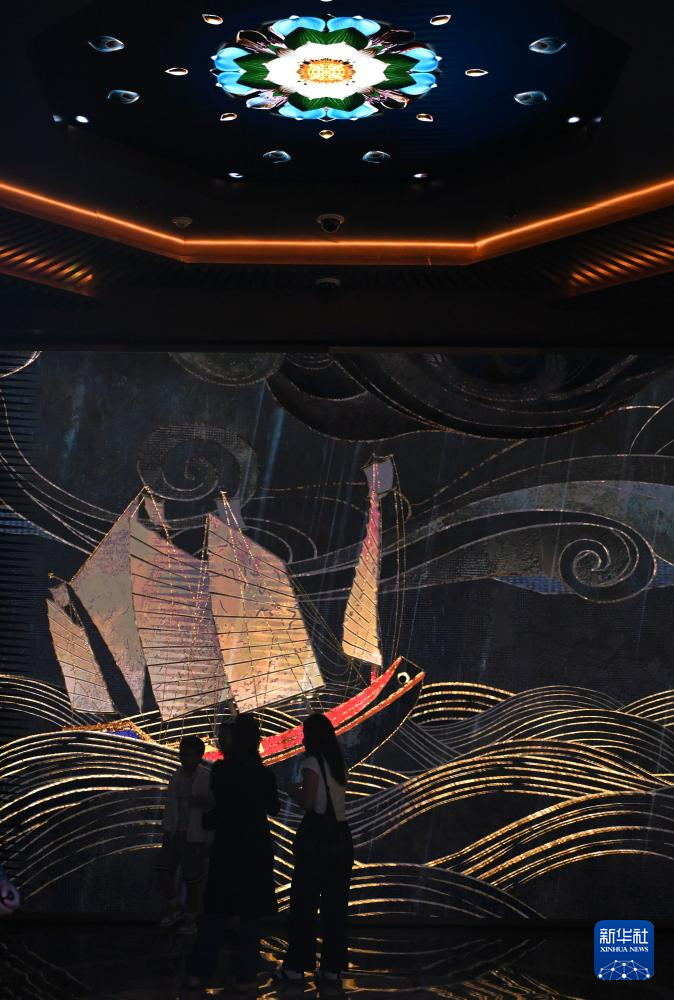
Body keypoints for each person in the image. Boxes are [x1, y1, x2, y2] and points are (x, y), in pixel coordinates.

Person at [186, 713, 279, 993]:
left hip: (226, 847)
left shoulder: (221, 771)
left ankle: (198, 974)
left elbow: (221, 806)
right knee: (250, 918)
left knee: (215, 913)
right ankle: (246, 978)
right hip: (255, 848)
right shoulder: (264, 774)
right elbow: (273, 808)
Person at [278, 712, 353, 985]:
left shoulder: (311, 762)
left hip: (318, 842)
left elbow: (309, 803)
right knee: (335, 908)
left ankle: (296, 967)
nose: (302, 739)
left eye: (304, 734)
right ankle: (332, 968)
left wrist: (292, 790)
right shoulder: (337, 762)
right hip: (341, 840)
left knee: (304, 905)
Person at [157, 734, 213, 935]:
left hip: (195, 834)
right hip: (176, 832)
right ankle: (175, 908)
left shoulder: (206, 777)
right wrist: (167, 831)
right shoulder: (176, 777)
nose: (183, 758)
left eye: (188, 754)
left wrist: (207, 839)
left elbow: (213, 806)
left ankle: (190, 919)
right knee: (163, 869)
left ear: (199, 756)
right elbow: (170, 806)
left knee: (192, 880)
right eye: (182, 754)